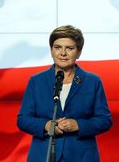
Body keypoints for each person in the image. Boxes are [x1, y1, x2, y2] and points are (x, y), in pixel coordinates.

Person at [17, 25, 113, 162]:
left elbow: (104, 120)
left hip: (81, 156)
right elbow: (23, 119)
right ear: (51, 51)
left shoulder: (92, 81)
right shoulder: (36, 81)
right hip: (43, 155)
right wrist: (47, 126)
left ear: (79, 52)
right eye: (57, 47)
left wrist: (78, 125)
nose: (63, 53)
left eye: (69, 48)